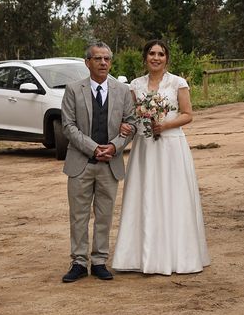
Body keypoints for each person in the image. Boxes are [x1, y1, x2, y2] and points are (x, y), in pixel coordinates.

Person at [112, 39, 210, 275]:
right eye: (152, 54)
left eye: (161, 54)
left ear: (167, 58)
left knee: (173, 195)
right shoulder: (135, 85)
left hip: (171, 146)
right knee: (144, 195)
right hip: (145, 146)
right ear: (145, 57)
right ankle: (139, 256)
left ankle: (179, 255)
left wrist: (164, 126)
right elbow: (132, 116)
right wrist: (132, 123)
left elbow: (188, 115)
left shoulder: (178, 82)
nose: (156, 58)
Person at [60, 41, 136, 283]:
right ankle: (79, 262)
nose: (103, 63)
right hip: (80, 162)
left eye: (107, 59)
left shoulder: (123, 90)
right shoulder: (73, 89)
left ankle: (100, 260)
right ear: (87, 63)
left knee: (104, 215)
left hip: (110, 163)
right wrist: (94, 149)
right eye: (98, 59)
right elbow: (68, 126)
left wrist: (115, 146)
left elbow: (132, 124)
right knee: (79, 215)